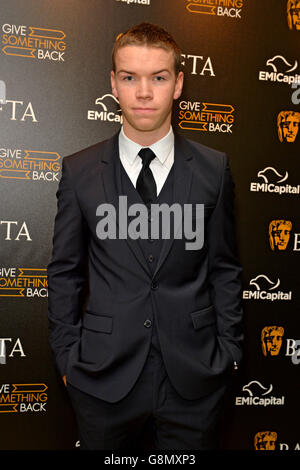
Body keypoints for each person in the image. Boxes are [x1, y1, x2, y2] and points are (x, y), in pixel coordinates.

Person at [47, 22, 243, 450]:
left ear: (178, 84)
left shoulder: (214, 170)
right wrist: (68, 359)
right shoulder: (80, 172)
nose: (144, 92)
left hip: (195, 379)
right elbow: (65, 273)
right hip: (101, 379)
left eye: (158, 77)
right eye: (130, 77)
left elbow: (225, 268)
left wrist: (228, 353)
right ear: (113, 83)